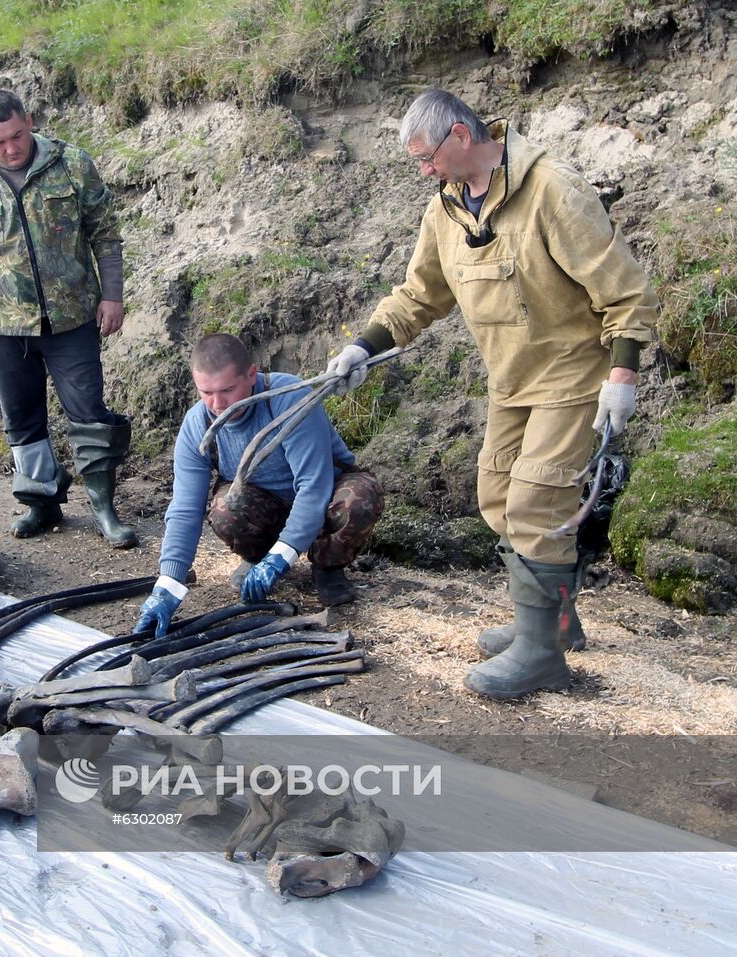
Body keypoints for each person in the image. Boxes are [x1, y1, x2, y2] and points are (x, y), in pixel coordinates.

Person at [324, 89, 658, 700]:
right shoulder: (447, 210)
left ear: (459, 135)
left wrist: (623, 377)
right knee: (498, 495)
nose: (423, 171)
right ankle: (553, 618)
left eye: (426, 158)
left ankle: (543, 656)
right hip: (511, 380)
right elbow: (418, 295)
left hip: (573, 373)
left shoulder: (552, 190)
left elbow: (626, 290)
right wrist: (362, 347)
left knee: (537, 505)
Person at [0, 89, 136, 548]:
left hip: (71, 319)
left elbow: (105, 231)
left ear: (29, 121)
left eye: (17, 135)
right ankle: (41, 502)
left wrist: (112, 295)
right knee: (22, 421)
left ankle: (103, 508)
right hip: (4, 326)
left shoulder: (72, 164)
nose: (11, 148)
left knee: (89, 414)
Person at [134, 334, 385, 638]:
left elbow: (313, 486)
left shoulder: (289, 399)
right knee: (226, 506)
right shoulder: (197, 425)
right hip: (267, 505)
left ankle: (328, 565)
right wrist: (167, 587)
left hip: (323, 496)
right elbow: (185, 509)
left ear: (251, 375)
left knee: (359, 497)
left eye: (227, 390)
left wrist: (283, 556)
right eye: (206, 392)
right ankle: (257, 558)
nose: (217, 404)